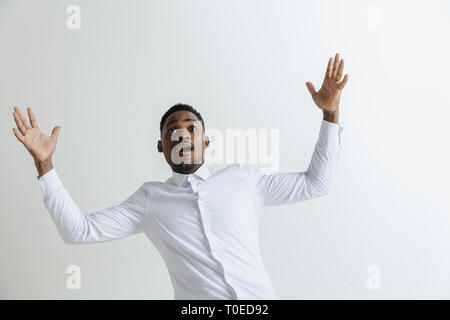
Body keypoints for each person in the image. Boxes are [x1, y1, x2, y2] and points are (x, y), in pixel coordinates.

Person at [12, 53, 348, 300]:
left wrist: (330, 113)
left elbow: (315, 183)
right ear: (162, 146)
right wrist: (45, 165)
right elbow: (78, 231)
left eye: (191, 128)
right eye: (173, 131)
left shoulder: (244, 179)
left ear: (205, 141)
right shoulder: (149, 200)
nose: (182, 135)